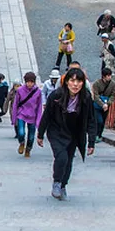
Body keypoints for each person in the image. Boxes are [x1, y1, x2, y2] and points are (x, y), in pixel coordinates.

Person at [37, 66, 96, 201]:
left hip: (74, 132)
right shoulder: (56, 95)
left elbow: (91, 119)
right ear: (66, 82)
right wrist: (40, 134)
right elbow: (46, 115)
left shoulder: (86, 98)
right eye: (72, 81)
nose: (75, 85)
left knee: (69, 160)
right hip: (57, 130)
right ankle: (57, 182)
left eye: (79, 81)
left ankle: (63, 185)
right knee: (61, 157)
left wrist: (91, 141)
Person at [12, 71, 43, 157]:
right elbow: (15, 104)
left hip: (32, 115)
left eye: (31, 82)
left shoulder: (38, 92)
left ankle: (28, 149)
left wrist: (38, 121)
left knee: (31, 136)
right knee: (21, 132)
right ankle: (21, 142)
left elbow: (39, 107)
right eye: (28, 82)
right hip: (21, 114)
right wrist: (14, 118)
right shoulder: (20, 90)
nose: (29, 84)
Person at [91, 68, 115, 142]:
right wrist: (102, 104)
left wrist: (108, 103)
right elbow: (95, 95)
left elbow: (113, 95)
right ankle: (96, 135)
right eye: (108, 76)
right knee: (99, 120)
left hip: (106, 105)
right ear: (104, 76)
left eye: (110, 75)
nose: (109, 77)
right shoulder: (97, 83)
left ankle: (99, 134)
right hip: (97, 105)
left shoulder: (113, 84)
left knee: (103, 121)